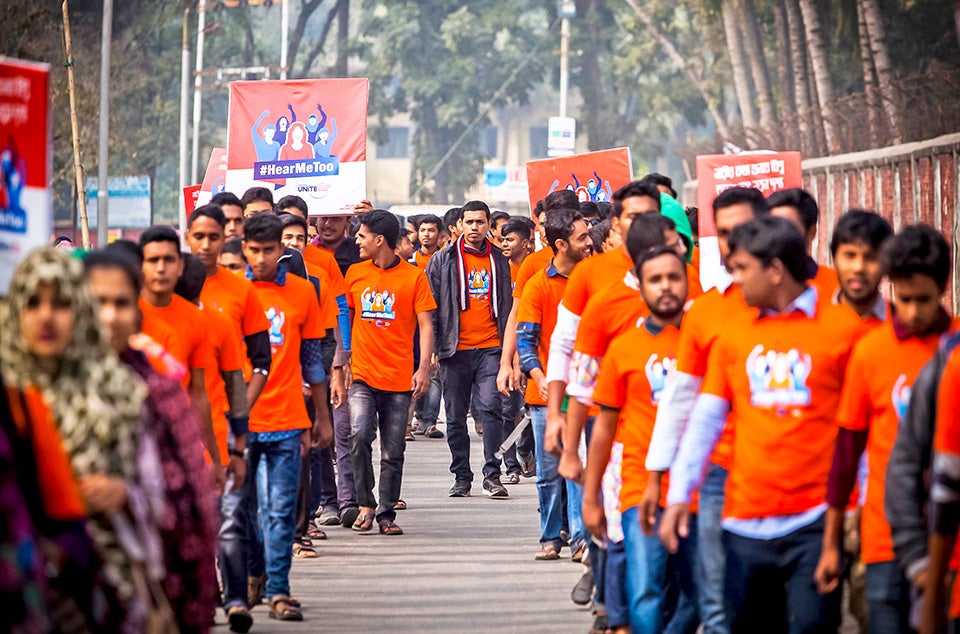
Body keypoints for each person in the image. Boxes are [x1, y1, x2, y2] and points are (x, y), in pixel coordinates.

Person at [660, 215, 870, 633]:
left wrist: (859, 507)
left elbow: (860, 432)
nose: (733, 280)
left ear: (774, 270)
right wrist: (679, 494)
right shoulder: (733, 336)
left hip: (814, 520)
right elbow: (705, 421)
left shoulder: (844, 330)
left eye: (741, 269)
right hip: (743, 520)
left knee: (813, 625)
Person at [1, 248, 169, 632]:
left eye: (61, 304)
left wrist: (124, 494)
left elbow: (159, 499)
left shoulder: (120, 393)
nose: (46, 317)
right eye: (32, 303)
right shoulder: (8, 396)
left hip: (107, 592)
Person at [815, 224, 955, 632]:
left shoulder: (957, 346)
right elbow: (846, 454)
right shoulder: (870, 352)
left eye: (924, 300)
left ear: (944, 286)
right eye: (904, 299)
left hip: (951, 542)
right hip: (883, 536)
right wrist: (830, 543)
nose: (912, 312)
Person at [644, 186, 768, 634]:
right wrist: (662, 478)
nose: (735, 242)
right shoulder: (706, 312)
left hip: (788, 478)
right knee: (715, 600)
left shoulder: (808, 306)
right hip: (718, 472)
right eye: (726, 232)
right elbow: (685, 403)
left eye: (745, 229)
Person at [86, 246, 223, 633]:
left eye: (121, 304)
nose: (109, 317)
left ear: (137, 313)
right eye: (97, 303)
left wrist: (128, 499)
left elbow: (193, 511)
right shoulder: (40, 392)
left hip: (147, 593)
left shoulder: (160, 394)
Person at [584, 245, 698, 634]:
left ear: (687, 281)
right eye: (655, 279)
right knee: (645, 591)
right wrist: (591, 498)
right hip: (639, 490)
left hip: (702, 492)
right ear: (642, 287)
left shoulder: (708, 342)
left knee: (699, 593)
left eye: (673, 277)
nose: (665, 287)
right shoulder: (623, 349)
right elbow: (603, 428)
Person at [241, 212, 335, 622]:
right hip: (239, 421)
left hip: (286, 418)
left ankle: (279, 589)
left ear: (282, 250)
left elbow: (312, 359)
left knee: (279, 509)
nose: (261, 258)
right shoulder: (229, 291)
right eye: (254, 250)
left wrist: (323, 417)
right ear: (244, 249)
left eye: (268, 250)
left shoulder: (302, 292)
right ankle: (253, 573)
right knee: (244, 512)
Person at [345, 210, 437, 534]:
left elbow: (426, 326)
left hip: (399, 378)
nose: (357, 240)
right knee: (358, 436)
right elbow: (347, 318)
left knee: (393, 448)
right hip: (362, 375)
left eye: (362, 235)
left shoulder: (414, 278)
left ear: (379, 240)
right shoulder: (354, 273)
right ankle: (365, 503)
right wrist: (342, 362)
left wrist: (423, 368)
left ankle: (386, 514)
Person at [516, 208, 592, 559]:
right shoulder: (538, 285)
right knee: (549, 473)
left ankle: (580, 539)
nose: (589, 242)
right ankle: (550, 537)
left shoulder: (596, 278)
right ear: (561, 244)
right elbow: (526, 340)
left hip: (587, 392)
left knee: (579, 466)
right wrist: (539, 376)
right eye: (582, 237)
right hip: (545, 393)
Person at [426, 201, 513, 498]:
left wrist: (510, 354)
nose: (475, 227)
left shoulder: (501, 259)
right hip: (455, 349)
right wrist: (435, 347)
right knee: (454, 416)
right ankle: (461, 476)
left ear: (489, 224)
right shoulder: (443, 259)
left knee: (491, 408)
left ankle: (492, 474)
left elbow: (511, 305)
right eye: (470, 222)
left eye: (480, 222)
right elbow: (432, 305)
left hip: (492, 346)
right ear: (459, 225)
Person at [138, 226, 224, 481]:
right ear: (140, 265)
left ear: (180, 267)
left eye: (168, 260)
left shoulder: (195, 319)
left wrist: (214, 458)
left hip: (178, 441)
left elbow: (199, 392)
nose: (161, 268)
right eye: (153, 260)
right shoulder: (125, 314)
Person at [767, 188, 839, 300]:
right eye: (772, 227)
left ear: (811, 233)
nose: (779, 236)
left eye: (789, 228)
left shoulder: (837, 287)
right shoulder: (756, 289)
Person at [830, 209, 893, 322]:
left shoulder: (901, 327)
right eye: (850, 255)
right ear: (834, 259)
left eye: (870, 257)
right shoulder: (811, 322)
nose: (858, 268)